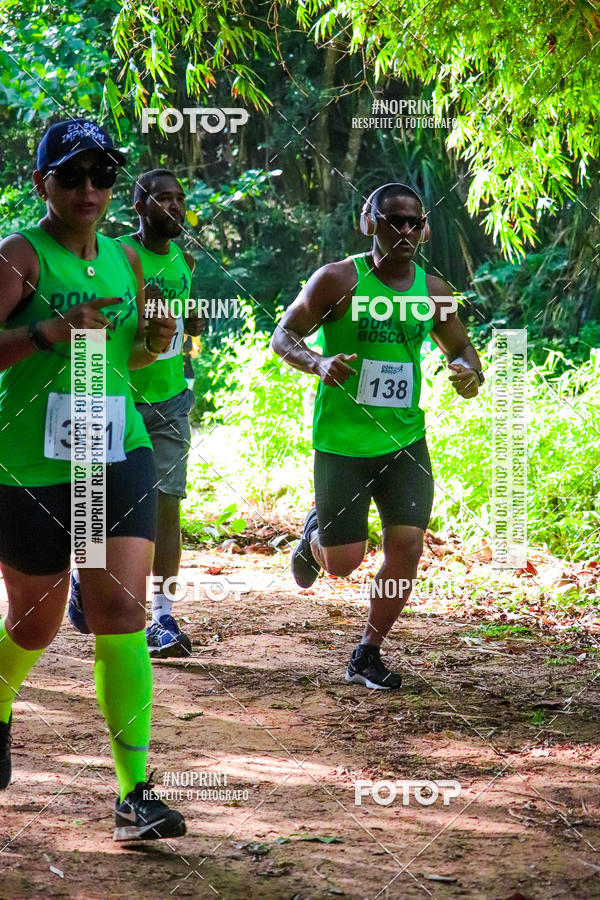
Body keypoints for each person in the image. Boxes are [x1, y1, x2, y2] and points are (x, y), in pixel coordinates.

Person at [0, 118, 186, 840]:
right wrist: (50, 332)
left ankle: (135, 792)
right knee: (35, 624)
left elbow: (125, 361)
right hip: (29, 465)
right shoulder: (20, 256)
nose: (88, 188)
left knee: (121, 615)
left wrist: (153, 340)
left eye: (102, 175)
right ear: (41, 182)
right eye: (71, 175)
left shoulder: (125, 260)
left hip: (115, 450)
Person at [271, 182, 484, 690]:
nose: (404, 230)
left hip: (405, 440)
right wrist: (318, 362)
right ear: (369, 223)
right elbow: (284, 336)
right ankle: (315, 535)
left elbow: (465, 353)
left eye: (414, 222)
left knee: (406, 546)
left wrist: (466, 374)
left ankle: (368, 651)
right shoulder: (338, 280)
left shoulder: (434, 292)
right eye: (393, 220)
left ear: (425, 228)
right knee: (343, 564)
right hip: (343, 441)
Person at [69, 169, 201, 658]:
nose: (172, 207)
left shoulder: (185, 261)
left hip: (168, 401)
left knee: (166, 503)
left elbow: (177, 325)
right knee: (93, 502)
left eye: (179, 199)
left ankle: (163, 617)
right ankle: (90, 577)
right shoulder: (118, 258)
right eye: (161, 198)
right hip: (113, 397)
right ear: (139, 207)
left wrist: (185, 327)